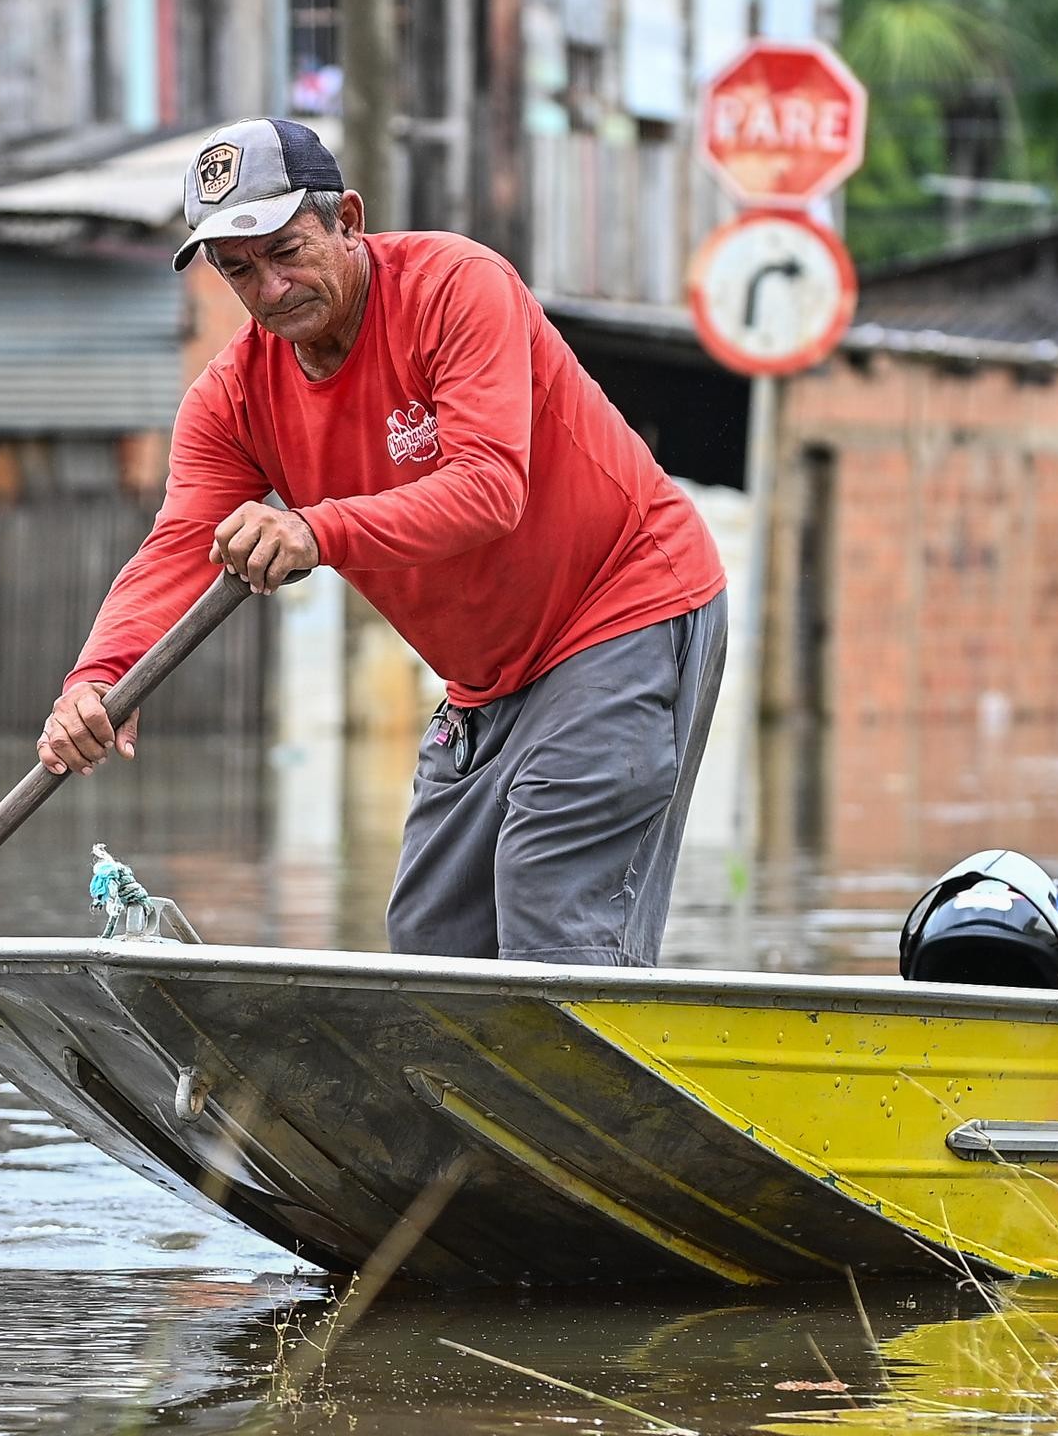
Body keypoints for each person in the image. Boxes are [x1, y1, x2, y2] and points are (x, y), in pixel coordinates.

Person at [41, 117, 728, 965]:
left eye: (287, 250)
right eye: (239, 269)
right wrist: (100, 678)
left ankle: (604, 1094)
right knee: (430, 941)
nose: (271, 289)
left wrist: (313, 529)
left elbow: (489, 488)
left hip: (622, 607)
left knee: (551, 908)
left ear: (348, 221)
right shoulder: (232, 399)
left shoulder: (455, 286)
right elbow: (181, 546)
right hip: (486, 676)